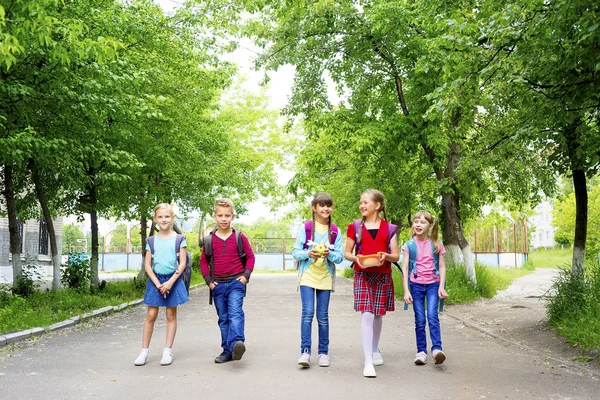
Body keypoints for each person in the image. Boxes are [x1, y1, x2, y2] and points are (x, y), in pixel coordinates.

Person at [344, 189, 399, 378]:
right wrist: (356, 257)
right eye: (361, 202)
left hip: (383, 274)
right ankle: (368, 361)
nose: (362, 205)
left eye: (366, 202)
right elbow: (347, 253)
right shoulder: (355, 226)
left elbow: (396, 255)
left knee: (377, 315)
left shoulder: (390, 228)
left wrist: (386, 256)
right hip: (362, 274)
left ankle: (375, 349)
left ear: (377, 205)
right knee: (367, 314)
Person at [199, 198, 255, 363]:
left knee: (235, 313)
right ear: (215, 216)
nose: (224, 219)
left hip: (236, 283)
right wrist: (208, 281)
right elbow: (203, 262)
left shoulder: (239, 237)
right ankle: (227, 351)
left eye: (227, 216)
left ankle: (237, 342)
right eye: (220, 215)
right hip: (217, 285)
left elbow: (251, 257)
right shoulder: (209, 240)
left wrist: (245, 276)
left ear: (233, 217)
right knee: (223, 318)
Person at [292, 192, 344, 368]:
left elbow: (340, 257)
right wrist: (308, 253)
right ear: (314, 208)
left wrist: (330, 255)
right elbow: (295, 252)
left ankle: (323, 353)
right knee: (307, 314)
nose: (326, 208)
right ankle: (305, 352)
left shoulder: (335, 231)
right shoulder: (305, 228)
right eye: (322, 205)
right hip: (307, 276)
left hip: (325, 278)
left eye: (328, 205)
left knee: (323, 316)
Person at [134, 203, 189, 366]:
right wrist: (158, 284)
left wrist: (170, 282)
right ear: (155, 219)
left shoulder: (180, 239)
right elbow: (148, 265)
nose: (164, 220)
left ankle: (167, 350)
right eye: (160, 217)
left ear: (172, 218)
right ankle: (144, 351)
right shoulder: (151, 240)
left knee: (171, 315)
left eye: (167, 216)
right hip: (155, 281)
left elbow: (182, 264)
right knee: (151, 315)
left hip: (173, 280)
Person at [401, 210, 448, 366]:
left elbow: (441, 266)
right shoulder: (409, 245)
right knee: (420, 319)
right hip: (416, 286)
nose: (418, 224)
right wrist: (406, 290)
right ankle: (421, 351)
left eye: (422, 222)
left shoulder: (436, 244)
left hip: (433, 284)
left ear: (430, 226)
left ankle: (437, 349)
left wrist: (441, 287)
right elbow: (405, 267)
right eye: (416, 221)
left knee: (433, 316)